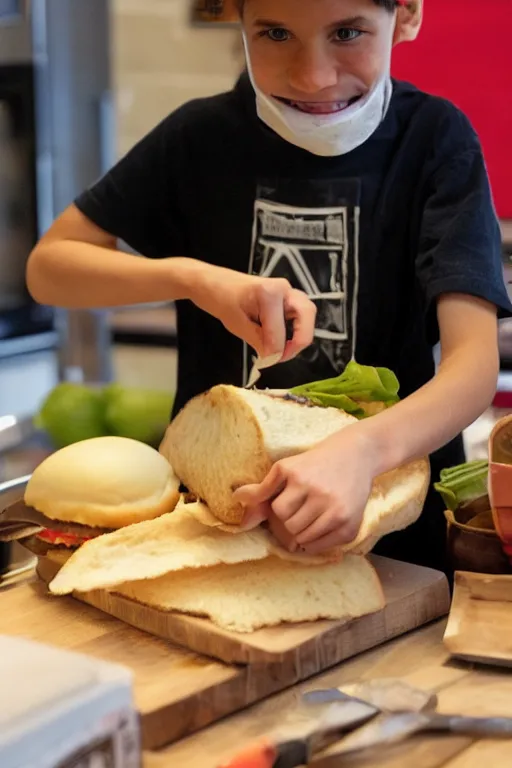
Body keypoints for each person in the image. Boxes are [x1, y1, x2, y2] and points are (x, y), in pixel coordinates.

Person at [26, 0, 512, 573]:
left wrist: (363, 449)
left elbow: (473, 370)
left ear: (405, 14)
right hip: (216, 530)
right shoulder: (198, 137)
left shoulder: (435, 139)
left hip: (397, 548)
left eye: (348, 33)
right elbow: (50, 268)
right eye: (276, 33)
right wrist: (195, 279)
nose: (313, 76)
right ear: (237, 18)